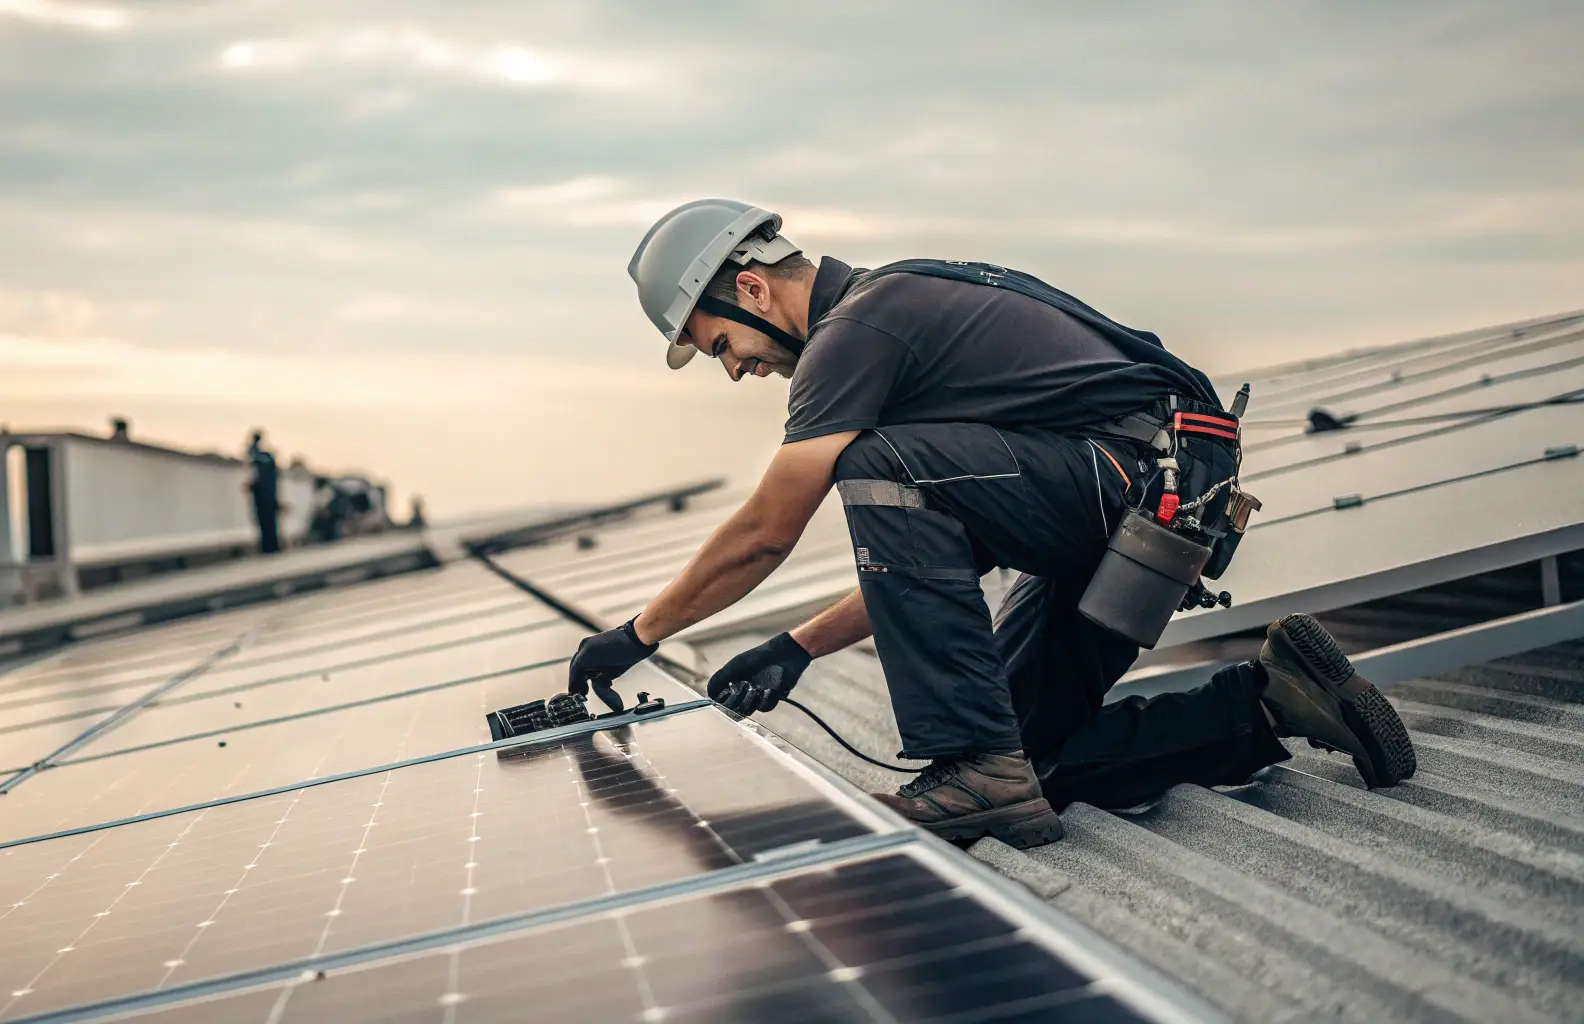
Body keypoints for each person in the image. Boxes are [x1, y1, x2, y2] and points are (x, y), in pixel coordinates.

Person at [567, 199, 1416, 849]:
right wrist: (799, 646)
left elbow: (766, 530)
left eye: (720, 346)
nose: (735, 370)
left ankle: (978, 765)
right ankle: (1273, 703)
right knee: (1024, 765)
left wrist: (638, 634)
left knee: (874, 468)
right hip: (1149, 511)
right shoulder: (892, 315)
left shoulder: (857, 328)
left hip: (1122, 482)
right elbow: (941, 556)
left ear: (751, 288)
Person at [245, 429, 282, 554]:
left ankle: (268, 547)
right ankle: (272, 546)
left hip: (262, 495)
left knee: (264, 521)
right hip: (269, 494)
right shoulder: (267, 457)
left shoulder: (258, 456)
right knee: (270, 522)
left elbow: (256, 475)